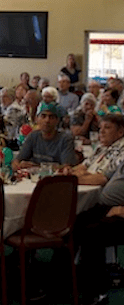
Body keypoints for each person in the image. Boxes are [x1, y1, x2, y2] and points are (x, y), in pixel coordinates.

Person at [63, 114, 124, 304]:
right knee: (72, 222)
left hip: (116, 212)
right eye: (101, 127)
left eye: (107, 128)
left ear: (121, 132)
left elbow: (102, 177)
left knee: (92, 234)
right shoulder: (106, 149)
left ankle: (97, 294)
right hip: (106, 206)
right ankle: (67, 280)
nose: (101, 131)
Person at [11, 102, 76, 170]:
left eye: (51, 117)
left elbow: (66, 168)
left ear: (57, 120)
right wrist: (18, 165)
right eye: (43, 116)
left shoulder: (65, 139)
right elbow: (16, 161)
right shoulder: (33, 136)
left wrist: (36, 166)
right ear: (37, 119)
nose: (47, 120)